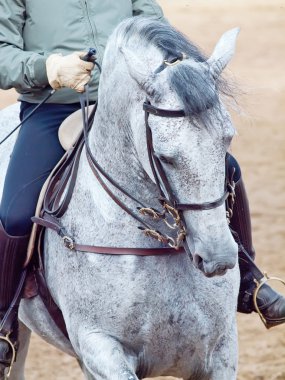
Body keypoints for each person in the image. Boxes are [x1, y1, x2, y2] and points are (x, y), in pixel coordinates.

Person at [0, 0, 284, 372]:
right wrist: (50, 67)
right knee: (16, 213)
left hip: (138, 103)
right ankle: (5, 321)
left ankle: (249, 278)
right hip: (55, 106)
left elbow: (154, 28)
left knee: (225, 167)